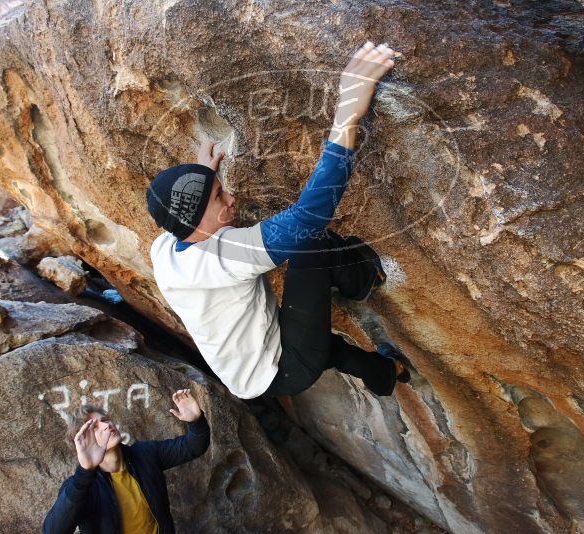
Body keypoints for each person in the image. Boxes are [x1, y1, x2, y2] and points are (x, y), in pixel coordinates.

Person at [147, 40, 411, 401]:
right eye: (219, 197)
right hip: (284, 368)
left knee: (321, 341)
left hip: (248, 371)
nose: (231, 198)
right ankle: (363, 278)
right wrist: (349, 109)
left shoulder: (163, 248)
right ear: (196, 221)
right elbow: (309, 216)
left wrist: (203, 177)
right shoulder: (224, 257)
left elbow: (178, 212)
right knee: (310, 246)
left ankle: (384, 374)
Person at [42, 389, 210, 534]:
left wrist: (196, 421)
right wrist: (85, 472)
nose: (106, 426)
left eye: (105, 420)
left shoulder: (145, 454)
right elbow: (53, 531)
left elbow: (192, 447)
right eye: (94, 427)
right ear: (84, 442)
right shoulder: (82, 486)